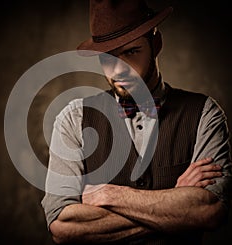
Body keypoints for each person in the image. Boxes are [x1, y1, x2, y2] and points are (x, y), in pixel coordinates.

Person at [41, 0, 232, 244]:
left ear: (156, 44)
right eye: (107, 57)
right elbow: (63, 227)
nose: (118, 69)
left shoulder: (205, 113)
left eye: (131, 52)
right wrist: (177, 203)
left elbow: (209, 211)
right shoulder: (73, 119)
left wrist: (109, 194)